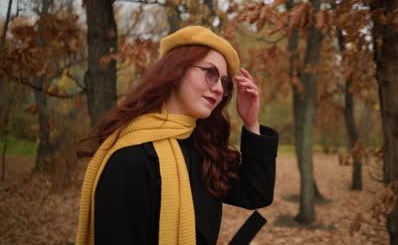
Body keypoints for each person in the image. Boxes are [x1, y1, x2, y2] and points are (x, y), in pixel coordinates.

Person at [75, 26, 278, 245]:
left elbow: (255, 193)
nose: (219, 88)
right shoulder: (130, 156)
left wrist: (251, 122)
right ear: (176, 71)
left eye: (224, 82)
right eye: (210, 73)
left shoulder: (204, 148)